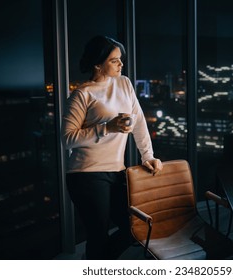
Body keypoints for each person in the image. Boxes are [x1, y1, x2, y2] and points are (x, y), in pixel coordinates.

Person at [61, 35, 163, 259]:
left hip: (117, 171)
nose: (121, 64)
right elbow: (67, 139)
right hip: (86, 174)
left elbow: (138, 122)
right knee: (98, 235)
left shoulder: (124, 83)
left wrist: (147, 155)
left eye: (120, 59)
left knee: (134, 228)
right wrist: (106, 128)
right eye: (115, 60)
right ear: (98, 63)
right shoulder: (82, 94)